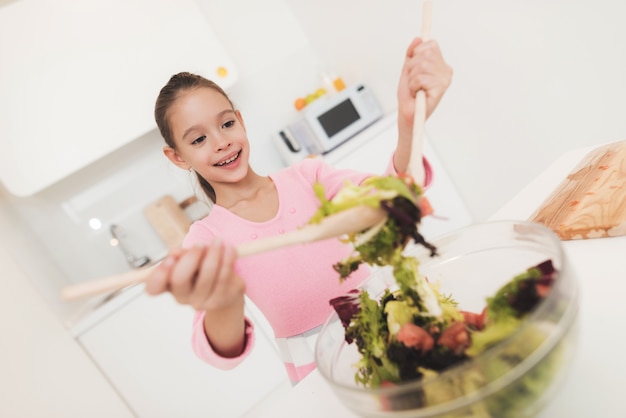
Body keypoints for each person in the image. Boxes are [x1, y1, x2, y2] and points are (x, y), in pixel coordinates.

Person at [146, 37, 453, 384]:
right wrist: (223, 300)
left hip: (395, 332)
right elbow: (219, 351)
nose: (221, 142)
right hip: (320, 377)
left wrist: (410, 121)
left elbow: (393, 196)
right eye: (198, 139)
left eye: (227, 124)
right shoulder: (206, 240)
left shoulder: (310, 177)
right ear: (178, 156)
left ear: (241, 121)